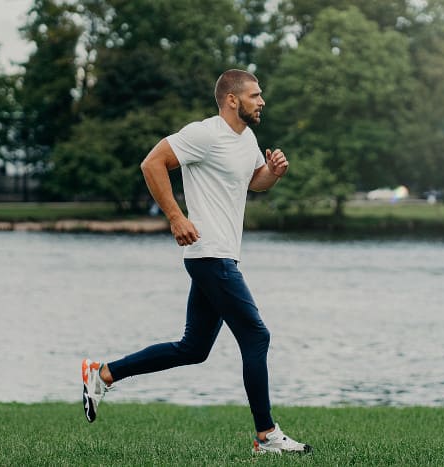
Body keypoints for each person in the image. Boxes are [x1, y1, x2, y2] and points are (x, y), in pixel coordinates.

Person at [81, 69, 311, 455]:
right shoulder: (203, 133)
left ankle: (103, 374)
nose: (262, 101)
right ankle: (265, 435)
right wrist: (175, 216)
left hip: (221, 255)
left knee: (193, 348)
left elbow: (253, 181)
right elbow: (151, 163)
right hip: (209, 253)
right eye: (255, 95)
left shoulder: (247, 138)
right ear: (232, 100)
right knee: (257, 336)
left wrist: (272, 173)